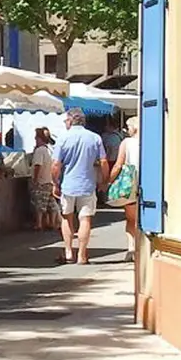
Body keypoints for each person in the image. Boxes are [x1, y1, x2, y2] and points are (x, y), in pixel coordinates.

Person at [55, 107, 108, 265]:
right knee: (85, 219)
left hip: (68, 185)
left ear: (71, 120)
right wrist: (104, 181)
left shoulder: (63, 138)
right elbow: (104, 161)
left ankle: (69, 251)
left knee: (67, 217)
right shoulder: (95, 138)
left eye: (66, 120)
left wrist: (55, 182)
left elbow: (56, 164)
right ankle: (82, 255)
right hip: (87, 184)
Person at [106, 117, 141, 247]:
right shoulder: (151, 140)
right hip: (146, 184)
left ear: (135, 127)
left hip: (130, 184)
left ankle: (132, 247)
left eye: (128, 127)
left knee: (131, 219)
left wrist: (109, 181)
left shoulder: (126, 142)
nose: (127, 130)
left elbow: (118, 165)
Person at [29, 127, 59, 231]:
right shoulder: (49, 150)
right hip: (49, 180)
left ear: (39, 138)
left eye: (36, 137)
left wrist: (35, 179)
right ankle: (52, 222)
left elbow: (38, 165)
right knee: (51, 203)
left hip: (41, 181)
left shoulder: (40, 150)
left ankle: (39, 224)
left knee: (39, 203)